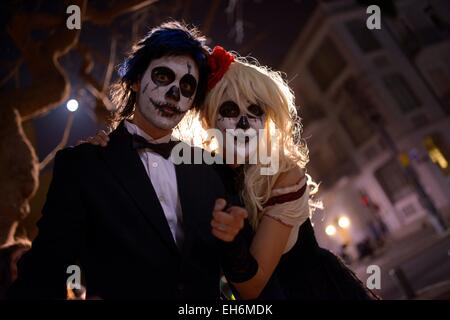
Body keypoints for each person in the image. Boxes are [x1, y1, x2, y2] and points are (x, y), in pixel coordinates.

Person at [8, 22, 248, 300]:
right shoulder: (85, 165)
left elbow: (239, 273)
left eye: (187, 86)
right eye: (162, 76)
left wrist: (233, 237)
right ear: (135, 80)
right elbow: (45, 268)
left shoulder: (209, 168)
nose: (174, 93)